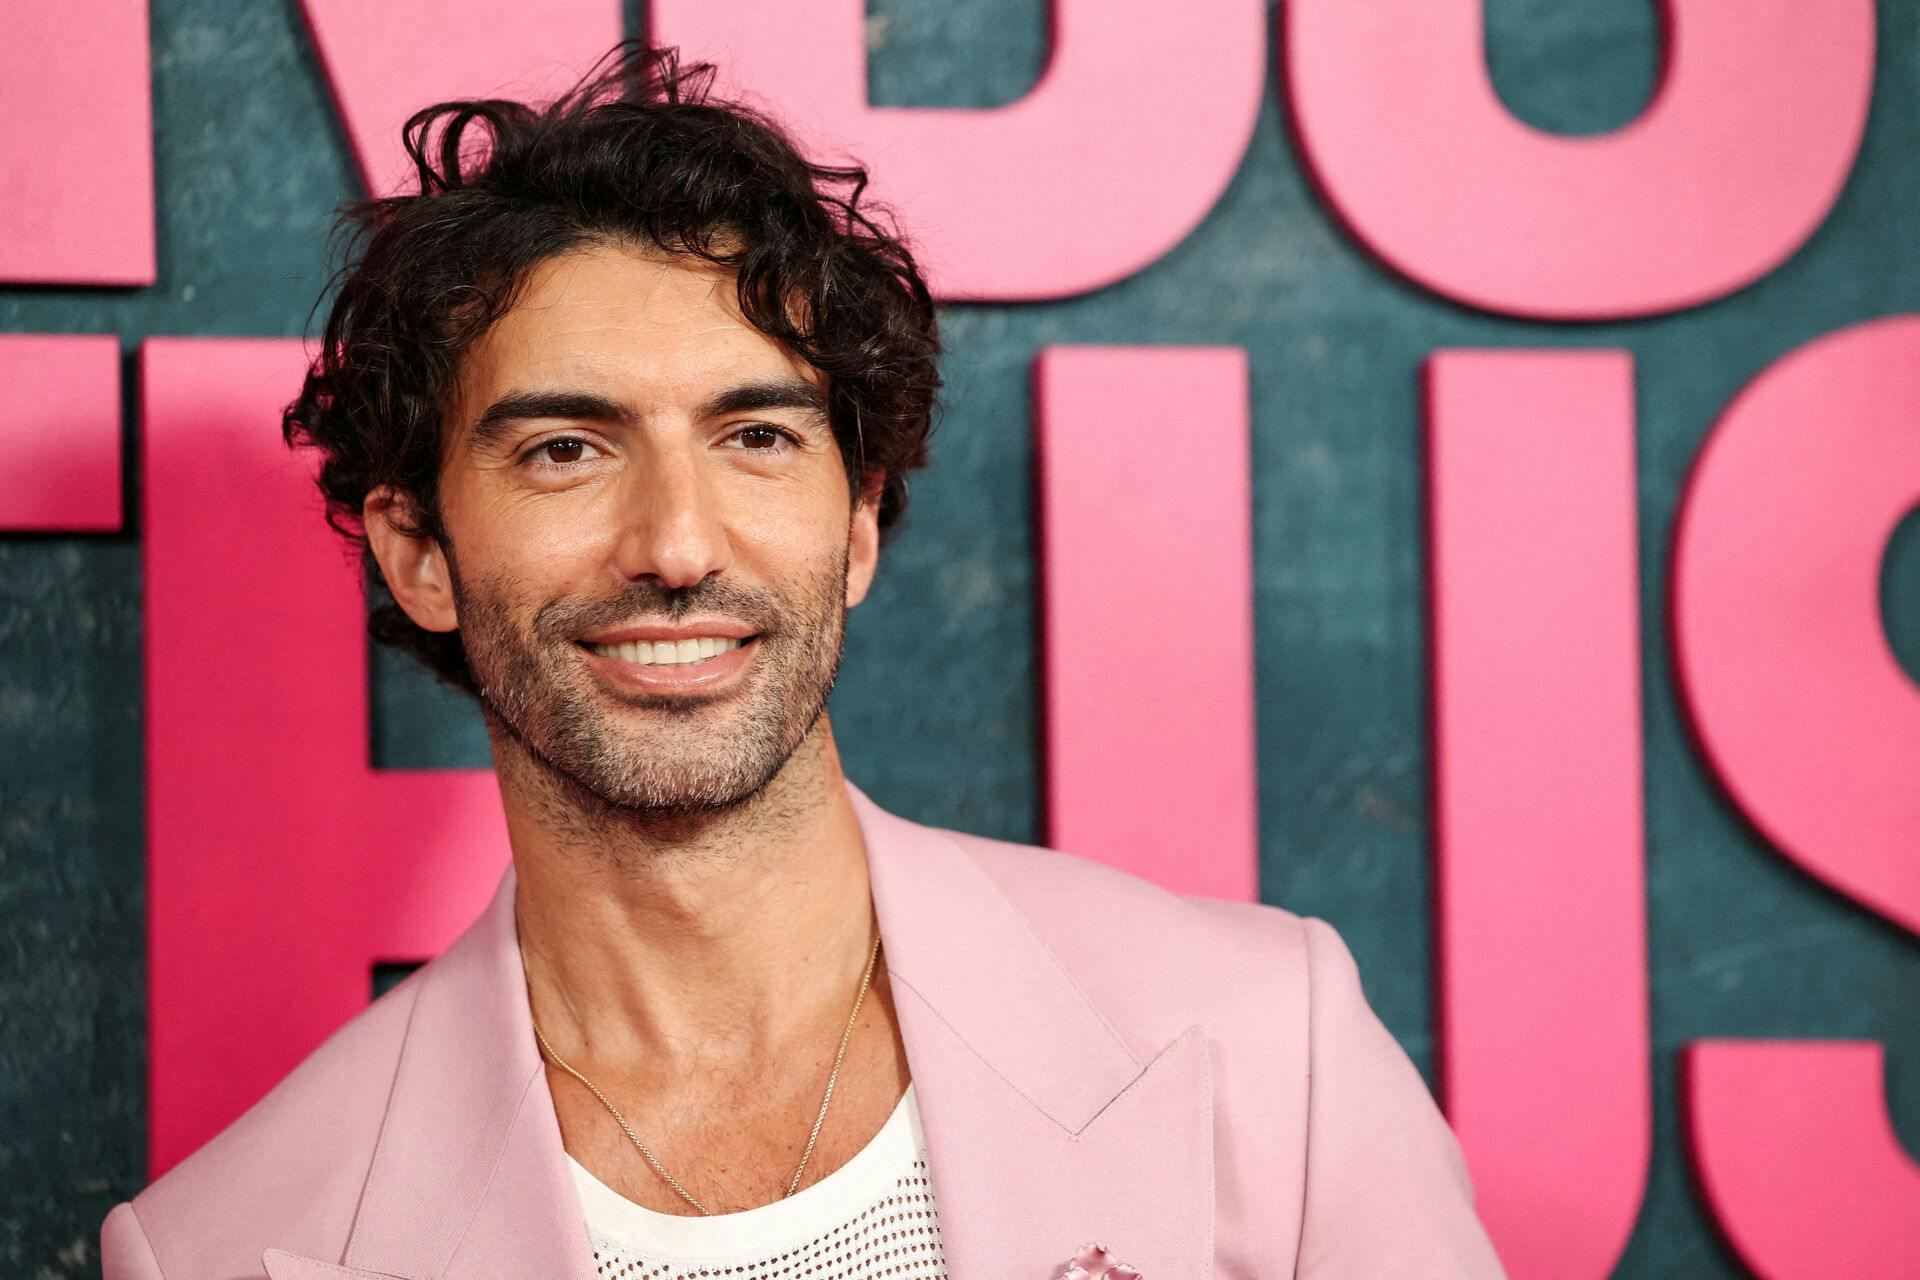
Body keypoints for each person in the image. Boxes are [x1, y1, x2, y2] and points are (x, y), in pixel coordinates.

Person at [100, 44, 1505, 1280]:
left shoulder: (1270, 1051)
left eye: (756, 435)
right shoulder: (221, 1252)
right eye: (565, 450)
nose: (675, 543)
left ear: (857, 524)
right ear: (418, 551)